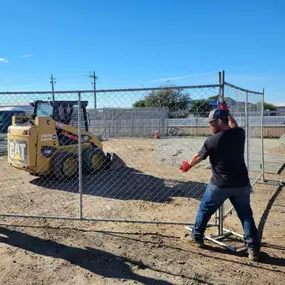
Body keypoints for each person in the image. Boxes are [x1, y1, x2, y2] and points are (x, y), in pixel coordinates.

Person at [179, 103, 260, 261]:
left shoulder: (212, 141)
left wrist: (187, 165)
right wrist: (227, 112)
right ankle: (253, 250)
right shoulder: (239, 133)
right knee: (246, 216)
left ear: (219, 121)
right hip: (241, 184)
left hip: (220, 185)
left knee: (205, 209)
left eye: (211, 123)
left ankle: (196, 237)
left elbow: (198, 157)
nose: (209, 126)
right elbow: (234, 125)